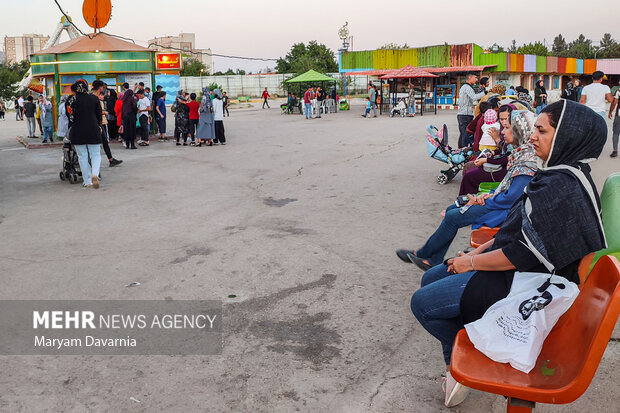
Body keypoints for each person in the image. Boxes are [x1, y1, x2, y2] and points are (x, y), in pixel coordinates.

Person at [410, 100, 607, 407]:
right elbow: (515, 232)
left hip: (527, 282)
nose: (532, 136)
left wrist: (471, 261)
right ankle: (465, 346)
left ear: (567, 136)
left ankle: (458, 364)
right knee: (432, 277)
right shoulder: (558, 173)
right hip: (521, 268)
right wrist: (482, 248)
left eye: (541, 130)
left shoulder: (563, 186)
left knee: (422, 303)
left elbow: (522, 253)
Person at [397, 110, 539, 270]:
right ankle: (431, 257)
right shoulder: (522, 153)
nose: (502, 131)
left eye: (506, 128)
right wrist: (489, 195)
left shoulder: (527, 160)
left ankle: (425, 255)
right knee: (452, 210)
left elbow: (511, 198)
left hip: (506, 210)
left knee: (453, 215)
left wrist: (486, 198)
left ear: (520, 131)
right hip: (501, 202)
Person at [459, 104, 513, 195]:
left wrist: (487, 159)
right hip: (495, 161)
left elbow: (507, 156)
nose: (504, 122)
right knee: (469, 169)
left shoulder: (514, 132)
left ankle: (468, 201)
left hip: (504, 170)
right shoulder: (497, 127)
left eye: (506, 119)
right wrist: (493, 152)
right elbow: (505, 150)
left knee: (470, 175)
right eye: (501, 119)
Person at [66, 80, 103, 188]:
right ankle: (95, 174)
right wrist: (99, 125)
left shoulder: (71, 100)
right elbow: (99, 115)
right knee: (95, 155)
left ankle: (87, 182)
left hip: (77, 131)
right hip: (93, 129)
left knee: (82, 156)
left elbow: (70, 116)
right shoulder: (94, 98)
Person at [92, 80, 122, 167]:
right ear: (100, 87)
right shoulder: (94, 99)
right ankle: (94, 166)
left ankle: (111, 159)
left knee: (104, 142)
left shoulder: (94, 98)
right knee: (96, 145)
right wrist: (103, 113)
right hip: (96, 125)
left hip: (99, 124)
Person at [457, 73, 486, 147]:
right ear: (470, 77)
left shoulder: (465, 87)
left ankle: (460, 149)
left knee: (463, 134)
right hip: (465, 114)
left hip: (462, 114)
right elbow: (474, 97)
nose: (477, 79)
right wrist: (485, 93)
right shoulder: (467, 87)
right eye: (475, 77)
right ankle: (464, 151)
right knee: (466, 134)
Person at [609, 87, 620, 158]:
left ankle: (615, 150)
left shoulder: (618, 91)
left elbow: (614, 102)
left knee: (616, 133)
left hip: (619, 114)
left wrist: (610, 112)